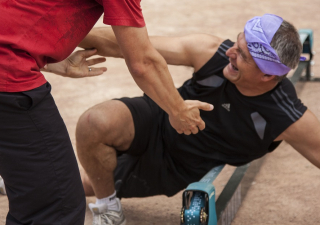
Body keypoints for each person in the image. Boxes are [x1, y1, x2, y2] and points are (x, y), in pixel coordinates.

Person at [0, 0, 213, 224]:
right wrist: (177, 110)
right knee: (54, 208)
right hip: (8, 82)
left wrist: (43, 58)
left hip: (12, 66)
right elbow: (142, 61)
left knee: (32, 185)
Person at [76, 14, 320, 224]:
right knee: (94, 121)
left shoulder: (284, 114)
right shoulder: (210, 51)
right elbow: (129, 46)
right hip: (158, 116)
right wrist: (59, 31)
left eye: (243, 56)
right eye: (237, 41)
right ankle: (109, 210)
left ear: (267, 75)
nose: (231, 53)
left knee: (75, 187)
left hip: (175, 165)